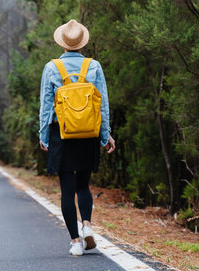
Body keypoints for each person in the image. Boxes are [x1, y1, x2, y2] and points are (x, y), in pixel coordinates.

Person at [38, 19, 116, 256]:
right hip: (88, 133)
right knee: (83, 185)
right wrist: (106, 135)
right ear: (82, 43)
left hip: (61, 133)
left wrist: (43, 135)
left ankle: (75, 242)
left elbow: (45, 106)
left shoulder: (52, 68)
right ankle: (87, 225)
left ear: (62, 44)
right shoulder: (94, 66)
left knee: (67, 189)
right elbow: (102, 104)